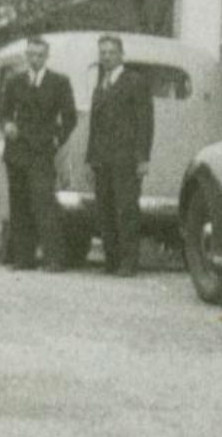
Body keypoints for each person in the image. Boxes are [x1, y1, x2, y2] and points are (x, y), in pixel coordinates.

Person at [0, 36, 77, 272]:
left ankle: (54, 258)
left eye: (40, 55)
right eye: (31, 54)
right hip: (17, 151)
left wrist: (56, 139)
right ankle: (24, 258)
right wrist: (7, 125)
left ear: (46, 56)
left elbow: (70, 117)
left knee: (44, 203)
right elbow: (3, 113)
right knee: (19, 204)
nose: (35, 59)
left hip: (42, 151)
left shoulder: (59, 82)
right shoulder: (14, 82)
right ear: (26, 55)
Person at [86, 34, 153, 277]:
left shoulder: (134, 81)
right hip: (102, 159)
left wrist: (143, 157)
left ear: (121, 54)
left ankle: (128, 262)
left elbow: (145, 122)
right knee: (104, 210)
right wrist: (90, 159)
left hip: (126, 158)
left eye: (111, 52)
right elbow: (94, 125)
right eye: (102, 52)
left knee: (126, 209)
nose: (106, 56)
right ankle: (111, 260)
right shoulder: (101, 85)